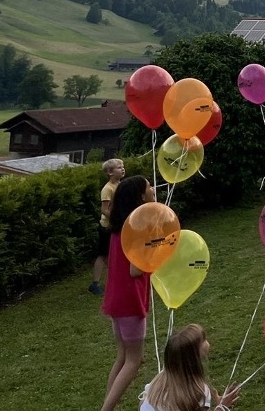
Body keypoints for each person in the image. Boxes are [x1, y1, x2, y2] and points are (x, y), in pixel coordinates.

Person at [100, 175, 155, 411]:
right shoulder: (137, 228)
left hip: (116, 299)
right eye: (149, 187)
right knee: (134, 360)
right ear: (140, 196)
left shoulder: (119, 227)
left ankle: (106, 406)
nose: (153, 189)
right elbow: (135, 269)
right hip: (130, 301)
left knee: (123, 356)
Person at [139, 324, 240, 411]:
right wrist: (222, 406)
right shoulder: (198, 392)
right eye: (203, 339)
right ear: (194, 358)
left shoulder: (158, 380)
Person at [90, 158, 126, 296]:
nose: (122, 169)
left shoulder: (120, 185)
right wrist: (118, 218)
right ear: (110, 172)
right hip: (107, 227)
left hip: (118, 225)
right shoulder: (108, 189)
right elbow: (104, 210)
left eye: (123, 166)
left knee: (116, 254)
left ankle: (116, 281)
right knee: (103, 254)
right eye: (119, 167)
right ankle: (95, 284)